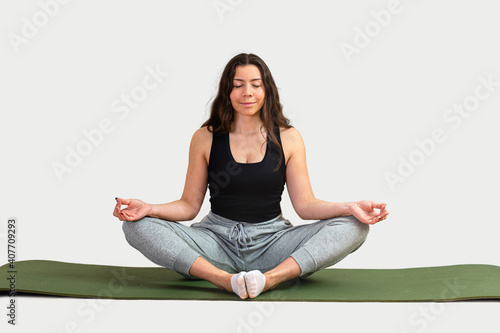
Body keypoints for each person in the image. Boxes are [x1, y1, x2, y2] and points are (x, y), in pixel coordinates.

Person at [113, 53, 389, 299]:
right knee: (136, 226)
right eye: (238, 85)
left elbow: (306, 206)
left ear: (267, 90)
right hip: (215, 243)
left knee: (354, 226)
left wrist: (350, 208)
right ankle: (222, 280)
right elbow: (188, 206)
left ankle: (270, 279)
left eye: (256, 85)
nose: (248, 92)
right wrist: (150, 209)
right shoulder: (204, 137)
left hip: (273, 244)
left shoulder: (290, 138)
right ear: (227, 92)